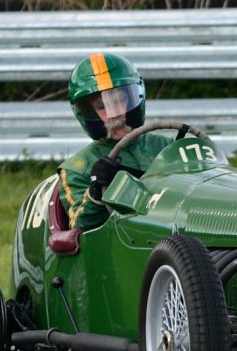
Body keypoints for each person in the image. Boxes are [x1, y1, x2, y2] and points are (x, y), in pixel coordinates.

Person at [58, 52, 175, 230]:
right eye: (102, 106)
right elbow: (79, 225)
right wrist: (96, 191)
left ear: (136, 98)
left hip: (180, 236)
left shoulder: (168, 147)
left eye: (120, 101)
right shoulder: (77, 169)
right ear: (86, 113)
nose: (114, 113)